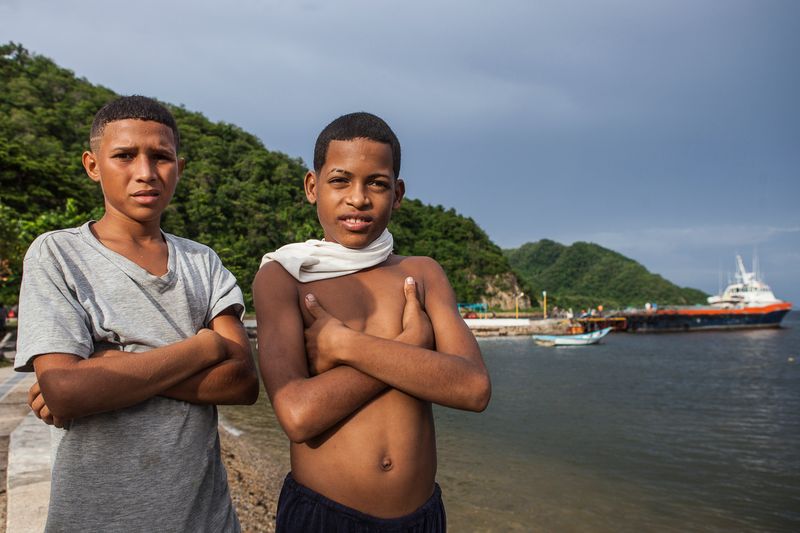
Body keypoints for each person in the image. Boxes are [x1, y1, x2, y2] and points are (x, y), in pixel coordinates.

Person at [15, 95, 259, 532]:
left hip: (205, 521)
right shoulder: (58, 254)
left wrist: (107, 365)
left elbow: (241, 382)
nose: (145, 172)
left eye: (161, 157)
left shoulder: (202, 262)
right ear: (92, 165)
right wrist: (205, 346)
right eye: (124, 156)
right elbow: (68, 392)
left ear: (179, 169)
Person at [253, 112, 491, 532]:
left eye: (377, 183)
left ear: (397, 193)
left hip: (421, 515)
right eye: (340, 180)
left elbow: (473, 388)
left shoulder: (423, 273)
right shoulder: (285, 276)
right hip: (324, 514)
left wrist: (348, 346)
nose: (358, 198)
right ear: (313, 186)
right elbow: (297, 414)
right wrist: (410, 346)